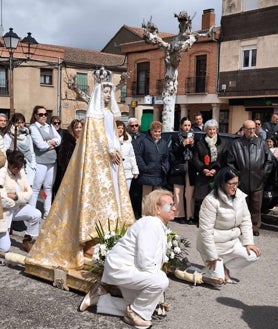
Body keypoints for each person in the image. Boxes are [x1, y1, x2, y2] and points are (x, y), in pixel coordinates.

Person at [26, 67, 134, 270]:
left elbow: (113, 137)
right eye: (105, 90)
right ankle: (91, 241)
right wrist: (108, 151)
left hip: (111, 164)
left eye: (110, 91)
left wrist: (116, 149)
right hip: (98, 164)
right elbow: (95, 139)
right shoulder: (93, 115)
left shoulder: (109, 112)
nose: (108, 94)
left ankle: (108, 238)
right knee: (96, 200)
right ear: (98, 92)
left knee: (113, 200)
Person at [79, 189, 174, 329]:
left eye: (173, 204)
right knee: (160, 281)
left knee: (146, 303)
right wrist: (156, 279)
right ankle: (135, 314)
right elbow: (145, 260)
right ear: (157, 209)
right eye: (169, 205)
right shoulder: (151, 224)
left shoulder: (155, 224)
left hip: (128, 268)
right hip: (123, 268)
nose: (174, 208)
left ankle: (98, 299)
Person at [197, 167, 261, 283]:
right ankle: (196, 273)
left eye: (237, 183)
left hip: (232, 241)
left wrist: (249, 242)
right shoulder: (210, 201)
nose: (235, 187)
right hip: (213, 244)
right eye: (231, 184)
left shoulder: (240, 196)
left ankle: (226, 269)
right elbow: (206, 231)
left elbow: (246, 220)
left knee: (253, 254)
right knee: (218, 280)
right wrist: (212, 256)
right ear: (222, 183)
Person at [227, 120, 273, 236]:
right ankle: (242, 227)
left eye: (253, 128)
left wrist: (263, 173)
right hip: (241, 181)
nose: (252, 131)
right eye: (249, 129)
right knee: (242, 206)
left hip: (258, 180)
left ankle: (255, 227)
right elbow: (230, 163)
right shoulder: (236, 144)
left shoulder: (261, 143)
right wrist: (236, 176)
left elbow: (269, 161)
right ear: (243, 130)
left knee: (256, 206)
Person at [1, 150, 41, 253]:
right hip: (4, 211)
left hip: (17, 208)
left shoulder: (21, 171)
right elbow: (2, 199)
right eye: (16, 167)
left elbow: (29, 193)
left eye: (20, 167)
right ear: (10, 164)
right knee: (5, 248)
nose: (18, 170)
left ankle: (28, 241)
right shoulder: (2, 173)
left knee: (36, 214)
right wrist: (19, 198)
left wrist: (16, 197)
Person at [28, 106, 61, 219]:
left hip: (52, 161)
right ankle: (32, 212)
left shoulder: (50, 126)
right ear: (36, 115)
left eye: (45, 114)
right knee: (36, 188)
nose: (43, 116)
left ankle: (47, 211)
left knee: (48, 187)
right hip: (40, 162)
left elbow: (59, 139)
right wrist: (51, 144)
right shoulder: (33, 128)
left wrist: (50, 142)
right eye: (41, 114)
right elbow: (40, 145)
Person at [193, 119, 227, 224]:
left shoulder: (223, 143)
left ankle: (215, 221)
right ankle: (201, 220)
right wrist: (203, 168)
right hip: (203, 174)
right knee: (202, 199)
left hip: (216, 175)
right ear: (206, 130)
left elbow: (224, 159)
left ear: (217, 130)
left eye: (214, 129)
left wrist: (215, 169)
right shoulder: (200, 142)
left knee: (216, 199)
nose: (212, 131)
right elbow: (195, 158)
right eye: (209, 129)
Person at [168, 117, 196, 224]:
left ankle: (190, 215)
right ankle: (179, 215)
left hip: (190, 166)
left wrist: (192, 144)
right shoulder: (176, 137)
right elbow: (172, 152)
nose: (187, 128)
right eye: (185, 125)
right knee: (178, 192)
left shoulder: (195, 136)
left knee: (189, 193)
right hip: (179, 166)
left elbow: (197, 152)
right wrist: (183, 144)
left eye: (189, 125)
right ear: (181, 126)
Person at [136, 121, 170, 198]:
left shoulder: (163, 143)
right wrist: (144, 167)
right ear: (151, 131)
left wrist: (165, 167)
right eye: (155, 131)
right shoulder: (144, 141)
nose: (157, 133)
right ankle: (145, 211)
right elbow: (139, 156)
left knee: (157, 199)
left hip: (159, 174)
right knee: (146, 198)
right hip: (147, 174)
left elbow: (166, 157)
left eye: (159, 132)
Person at [4, 113, 36, 186]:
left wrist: (33, 165)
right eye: (18, 122)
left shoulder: (27, 135)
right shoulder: (9, 135)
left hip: (28, 164)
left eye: (22, 122)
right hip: (15, 165)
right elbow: (5, 150)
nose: (20, 125)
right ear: (13, 123)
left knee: (27, 188)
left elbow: (31, 151)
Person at [127, 117, 145, 218]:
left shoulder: (143, 137)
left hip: (141, 168)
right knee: (130, 192)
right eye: (132, 126)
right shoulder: (126, 138)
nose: (134, 128)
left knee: (139, 192)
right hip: (129, 169)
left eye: (136, 125)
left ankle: (138, 212)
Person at [57, 119, 84, 184]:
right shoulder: (68, 140)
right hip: (70, 169)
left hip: (81, 168)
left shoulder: (84, 139)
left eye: (80, 127)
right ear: (72, 129)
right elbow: (62, 157)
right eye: (76, 127)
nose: (79, 130)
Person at [116, 120, 139, 190]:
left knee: (126, 193)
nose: (120, 130)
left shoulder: (128, 142)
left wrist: (135, 170)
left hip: (127, 172)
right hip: (115, 171)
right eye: (118, 128)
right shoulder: (111, 142)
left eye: (122, 128)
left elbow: (132, 157)